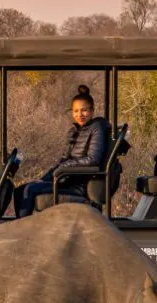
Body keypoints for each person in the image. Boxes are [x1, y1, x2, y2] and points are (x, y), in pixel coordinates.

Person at [14, 85, 111, 217]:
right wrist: (45, 179)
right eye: (76, 111)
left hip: (77, 186)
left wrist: (64, 167)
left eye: (84, 110)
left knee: (29, 190)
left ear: (92, 111)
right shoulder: (75, 130)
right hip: (64, 179)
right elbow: (64, 159)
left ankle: (23, 231)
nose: (80, 115)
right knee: (20, 189)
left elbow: (93, 159)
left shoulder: (97, 128)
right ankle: (22, 226)